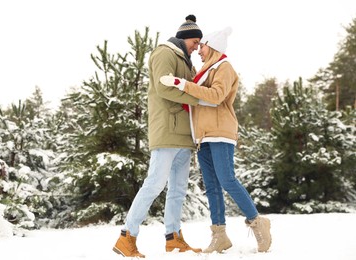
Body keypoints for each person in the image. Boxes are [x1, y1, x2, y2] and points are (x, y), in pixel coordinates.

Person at [160, 27, 272, 253]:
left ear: (212, 45)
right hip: (203, 136)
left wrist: (182, 84)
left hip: (220, 132)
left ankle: (258, 223)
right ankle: (219, 235)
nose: (199, 51)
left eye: (202, 46)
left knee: (227, 179)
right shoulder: (205, 70)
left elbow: (217, 95)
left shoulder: (224, 67)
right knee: (211, 186)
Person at [113, 15, 204, 258]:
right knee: (154, 184)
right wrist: (198, 99)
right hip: (167, 130)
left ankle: (173, 238)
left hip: (184, 134)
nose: (197, 47)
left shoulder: (186, 60)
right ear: (185, 38)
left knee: (178, 190)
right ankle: (126, 237)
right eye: (196, 42)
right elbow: (165, 88)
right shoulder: (164, 53)